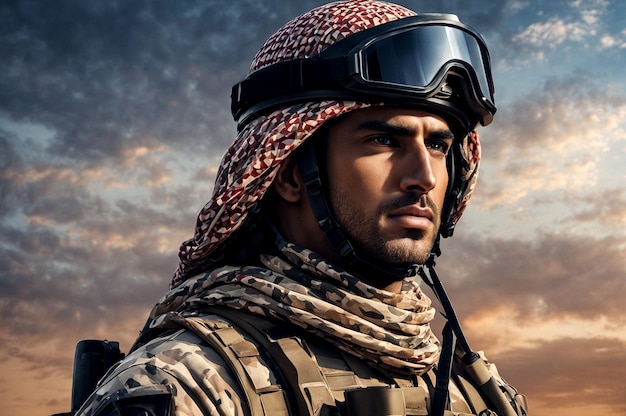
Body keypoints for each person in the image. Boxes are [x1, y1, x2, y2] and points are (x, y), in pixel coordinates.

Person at [74, 1, 528, 415]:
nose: (424, 177)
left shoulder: (471, 387)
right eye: (383, 140)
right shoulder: (191, 385)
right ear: (290, 173)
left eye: (437, 145)